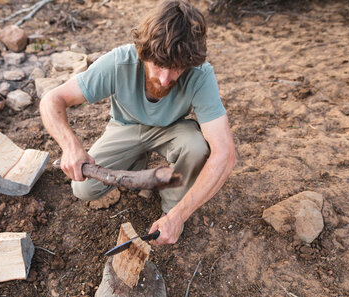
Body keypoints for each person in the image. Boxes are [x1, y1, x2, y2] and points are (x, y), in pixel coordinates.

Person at [40, 0, 236, 246]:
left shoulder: (200, 74)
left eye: (177, 69)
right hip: (126, 127)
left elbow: (225, 154)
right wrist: (70, 147)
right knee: (84, 189)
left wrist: (178, 215)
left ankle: (171, 202)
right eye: (159, 66)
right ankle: (136, 161)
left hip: (173, 129)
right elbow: (52, 99)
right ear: (144, 53)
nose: (165, 80)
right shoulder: (118, 62)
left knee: (196, 147)